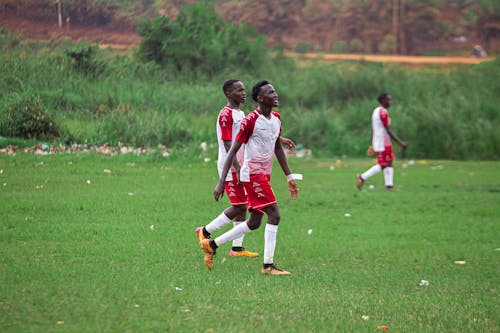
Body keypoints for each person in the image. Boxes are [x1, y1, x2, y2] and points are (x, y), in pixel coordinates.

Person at [199, 80, 300, 275]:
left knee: (254, 221)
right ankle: (268, 266)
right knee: (275, 215)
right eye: (271, 92)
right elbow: (232, 150)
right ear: (261, 99)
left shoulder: (277, 119)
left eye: (275, 91)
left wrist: (289, 176)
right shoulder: (250, 120)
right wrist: (221, 181)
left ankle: (211, 244)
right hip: (252, 174)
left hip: (264, 174)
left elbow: (276, 147)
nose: (276, 95)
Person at [356, 93, 407, 191]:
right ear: (382, 101)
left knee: (389, 162)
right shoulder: (383, 112)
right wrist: (400, 142)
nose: (390, 102)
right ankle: (362, 177)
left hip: (381, 141)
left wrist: (371, 143)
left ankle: (389, 186)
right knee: (383, 163)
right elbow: (387, 130)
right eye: (388, 100)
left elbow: (373, 129)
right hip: (383, 142)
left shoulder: (376, 111)